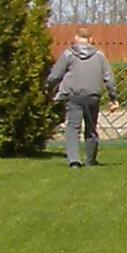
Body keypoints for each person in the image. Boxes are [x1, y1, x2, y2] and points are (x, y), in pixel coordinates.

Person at [45, 30, 118, 169]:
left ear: (76, 38)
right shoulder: (99, 56)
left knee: (73, 128)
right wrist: (113, 97)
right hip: (92, 96)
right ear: (91, 39)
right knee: (91, 128)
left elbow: (55, 75)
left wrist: (49, 88)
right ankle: (90, 160)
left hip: (73, 96)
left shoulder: (68, 54)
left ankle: (74, 161)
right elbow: (109, 78)